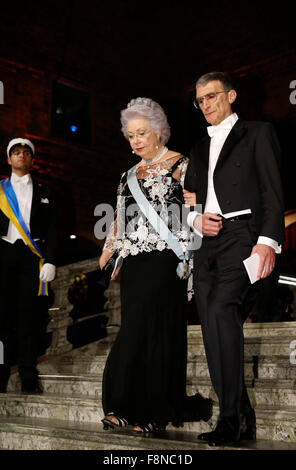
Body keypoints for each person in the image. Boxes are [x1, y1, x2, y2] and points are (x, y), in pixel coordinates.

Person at [99, 97, 212, 433]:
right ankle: (121, 407)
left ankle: (155, 413)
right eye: (131, 135)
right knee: (133, 326)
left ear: (159, 132)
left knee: (158, 332)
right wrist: (108, 252)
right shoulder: (127, 175)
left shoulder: (182, 164)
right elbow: (119, 219)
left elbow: (197, 208)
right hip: (134, 260)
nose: (136, 141)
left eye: (142, 133)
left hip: (168, 258)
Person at [184, 72, 285, 446]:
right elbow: (189, 198)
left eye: (211, 96)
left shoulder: (258, 133)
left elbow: (273, 193)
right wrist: (195, 220)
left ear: (231, 96)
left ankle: (229, 419)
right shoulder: (197, 145)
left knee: (224, 308)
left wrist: (268, 242)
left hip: (243, 235)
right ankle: (239, 410)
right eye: (200, 100)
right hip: (206, 242)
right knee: (211, 322)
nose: (206, 105)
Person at [0, 138, 57, 394]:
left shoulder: (46, 191)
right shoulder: (0, 190)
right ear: (9, 159)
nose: (21, 155)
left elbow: (54, 229)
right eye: (16, 152)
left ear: (32, 160)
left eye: (26, 152)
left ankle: (28, 376)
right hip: (3, 256)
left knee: (28, 319)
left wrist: (52, 259)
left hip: (31, 259)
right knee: (1, 320)